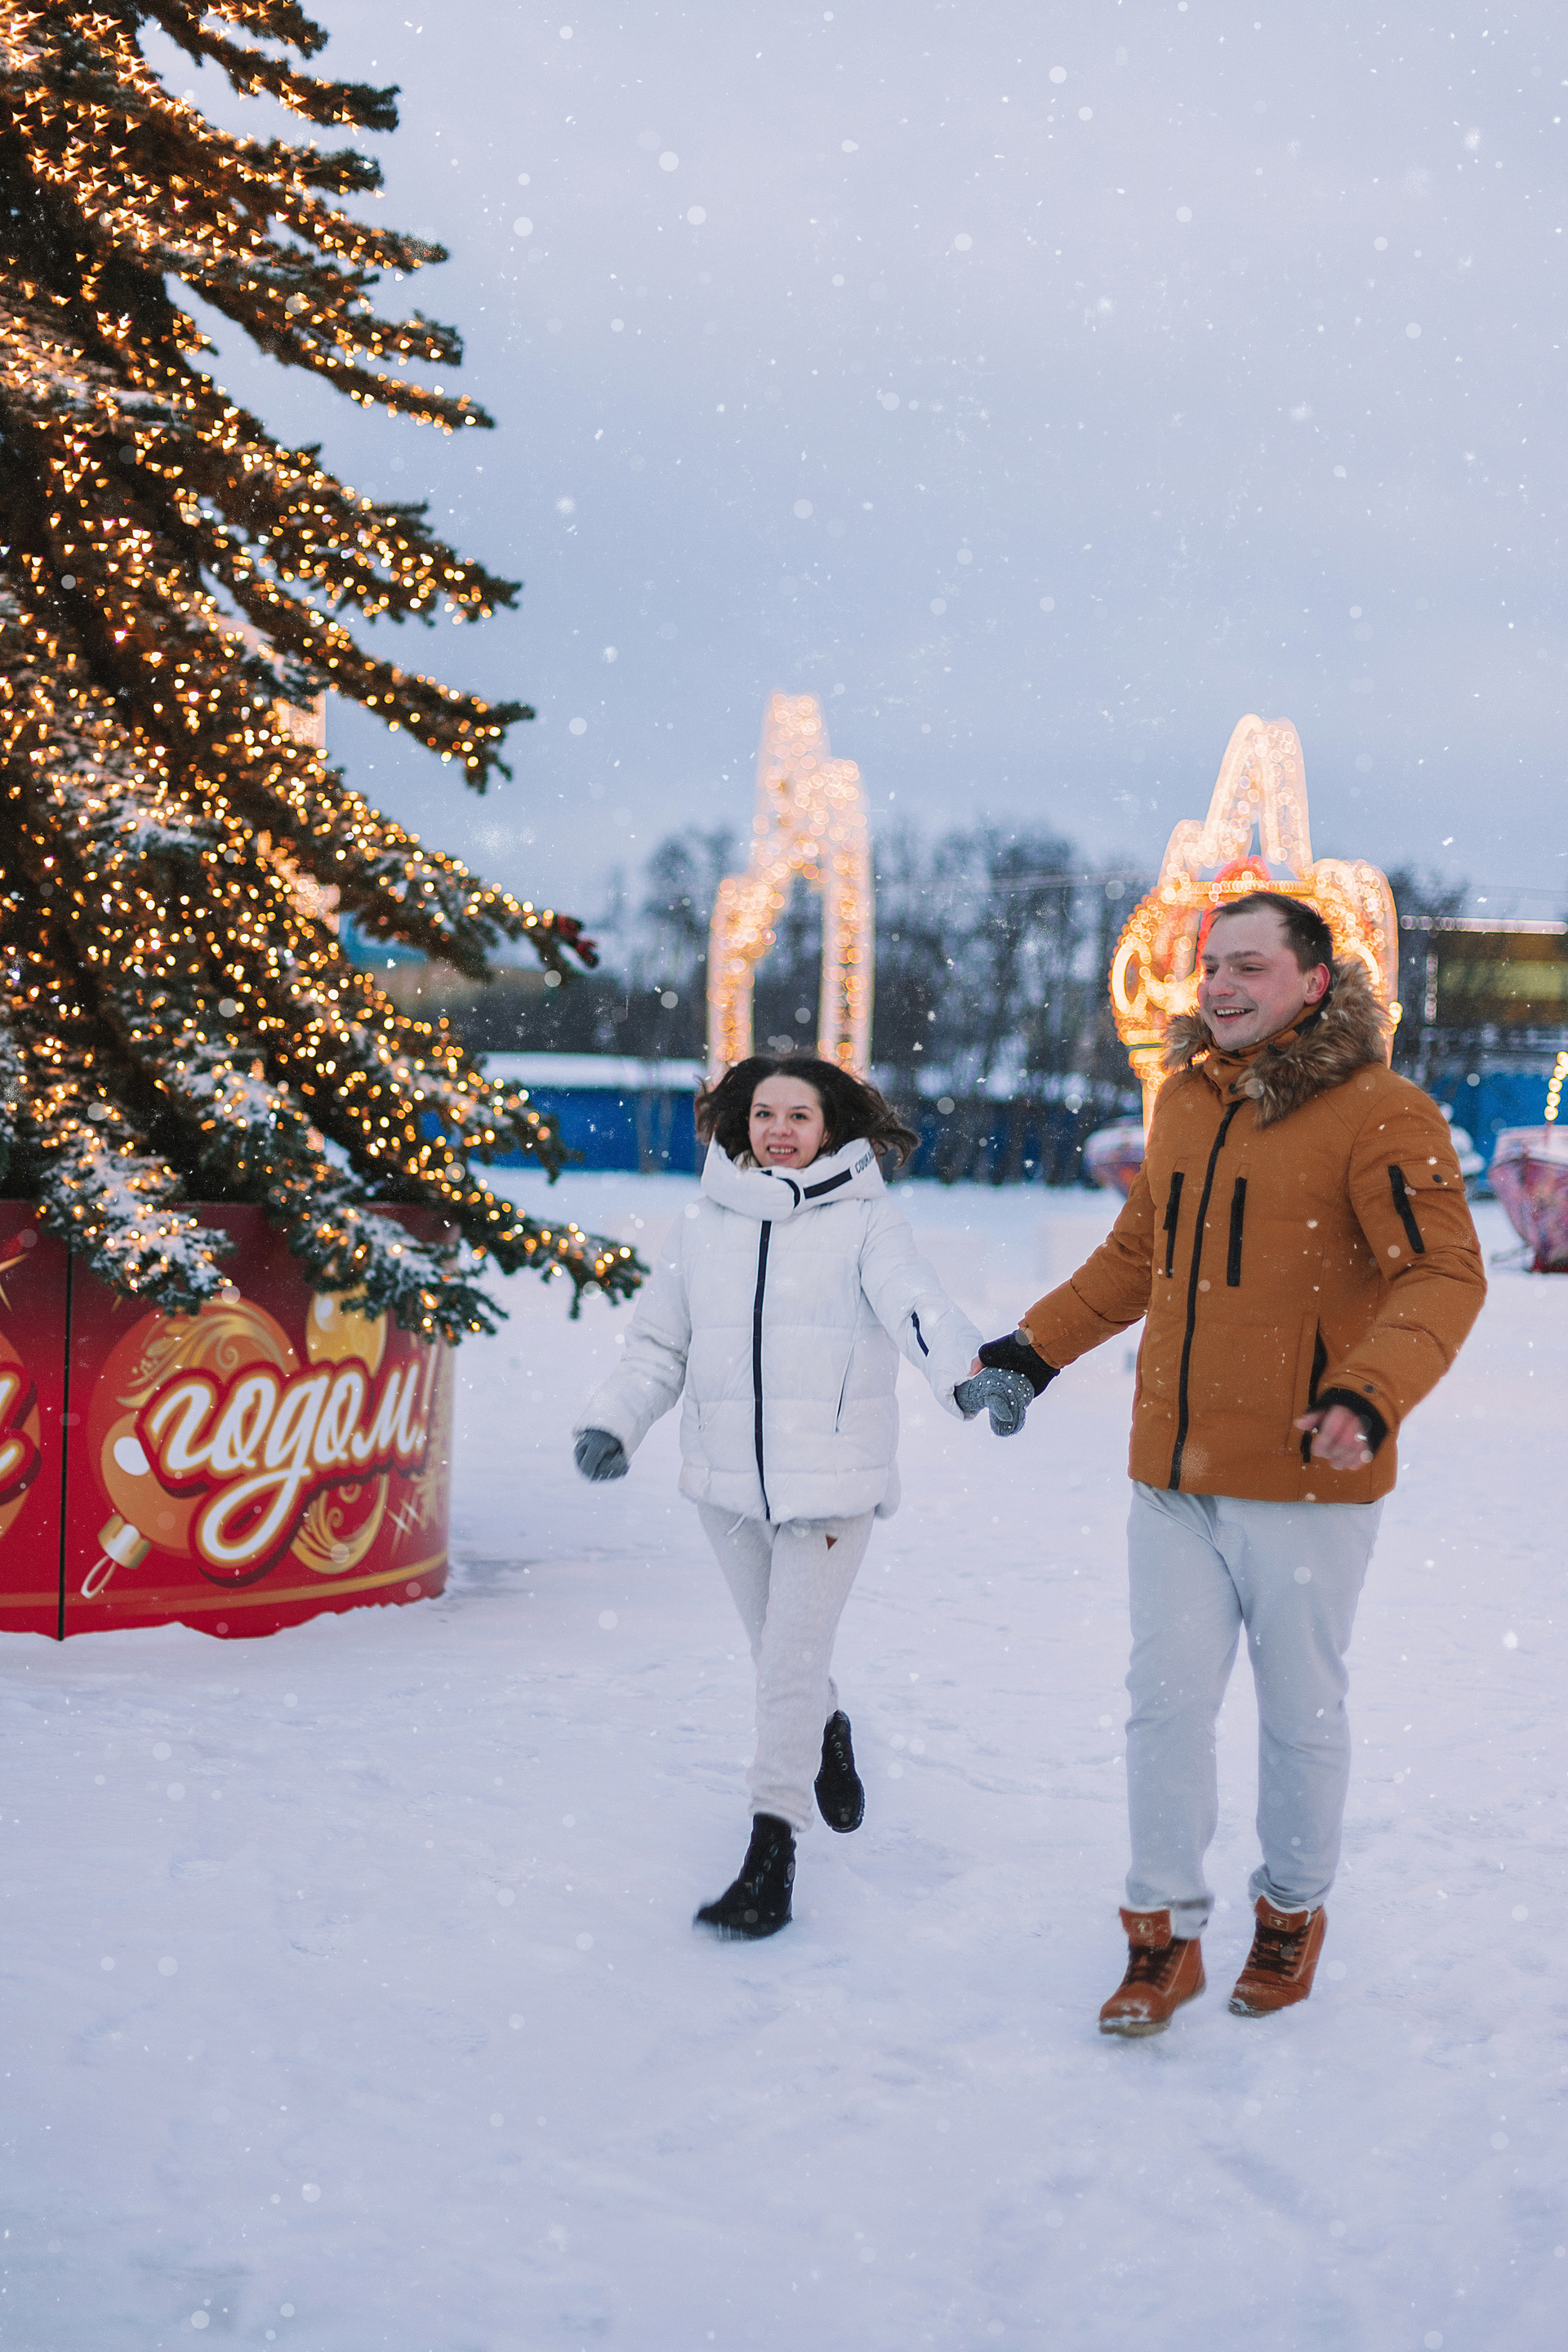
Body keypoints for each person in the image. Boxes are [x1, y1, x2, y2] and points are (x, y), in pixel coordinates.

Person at [975, 893, 1486, 2034]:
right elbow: (1136, 1255)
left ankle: (1291, 1911)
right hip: (1173, 1471)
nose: (1219, 985)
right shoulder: (1187, 1099)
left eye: (1249, 966)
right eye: (1211, 965)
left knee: (1299, 1713)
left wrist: (1367, 1391)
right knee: (1162, 1709)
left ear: (1315, 982)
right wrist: (1032, 1350)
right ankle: (1161, 1935)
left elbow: (1442, 1272)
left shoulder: (1383, 1111)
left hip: (1308, 1470)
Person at [573, 1056, 1032, 1940]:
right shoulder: (703, 1223)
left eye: (799, 1116)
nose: (780, 1131)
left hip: (832, 1485)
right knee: (777, 1655)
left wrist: (967, 1376)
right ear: (740, 1122)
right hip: (725, 1487)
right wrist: (615, 1423)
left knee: (786, 1661)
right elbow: (659, 1347)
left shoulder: (866, 1221)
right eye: (765, 1114)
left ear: (831, 1128)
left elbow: (918, 1308)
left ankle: (770, 1855)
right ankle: (825, 1731)